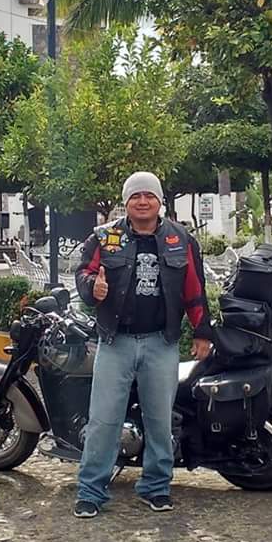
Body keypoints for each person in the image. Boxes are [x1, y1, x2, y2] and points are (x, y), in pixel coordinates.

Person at [72, 171, 210, 519]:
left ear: (160, 200)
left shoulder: (181, 239)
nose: (143, 201)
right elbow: (83, 274)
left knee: (160, 421)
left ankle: (156, 487)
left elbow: (194, 291)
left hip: (161, 343)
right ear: (126, 201)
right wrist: (92, 288)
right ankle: (91, 491)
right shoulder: (104, 237)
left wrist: (202, 332)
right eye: (136, 196)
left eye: (150, 195)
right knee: (103, 420)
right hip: (114, 342)